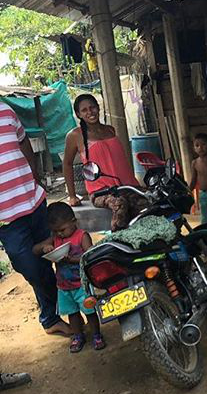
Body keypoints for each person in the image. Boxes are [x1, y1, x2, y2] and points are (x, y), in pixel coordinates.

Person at [0, 101, 71, 337]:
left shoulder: (6, 111)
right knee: (30, 266)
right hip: (6, 217)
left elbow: (23, 143)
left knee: (54, 254)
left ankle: (52, 317)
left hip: (33, 200)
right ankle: (63, 304)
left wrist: (35, 176)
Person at [63, 94, 146, 231]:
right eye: (84, 110)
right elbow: (67, 164)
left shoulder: (110, 130)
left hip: (127, 186)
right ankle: (118, 239)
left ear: (98, 107)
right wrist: (72, 196)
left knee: (150, 201)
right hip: (101, 191)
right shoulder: (75, 135)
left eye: (92, 107)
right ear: (78, 114)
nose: (90, 112)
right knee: (119, 204)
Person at [33, 202, 106, 353]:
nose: (59, 234)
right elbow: (35, 250)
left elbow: (90, 257)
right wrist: (45, 248)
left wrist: (71, 260)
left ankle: (96, 335)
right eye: (55, 231)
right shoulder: (55, 238)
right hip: (64, 286)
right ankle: (78, 336)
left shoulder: (81, 236)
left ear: (74, 222)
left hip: (82, 284)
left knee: (89, 311)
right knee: (72, 313)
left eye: (62, 230)